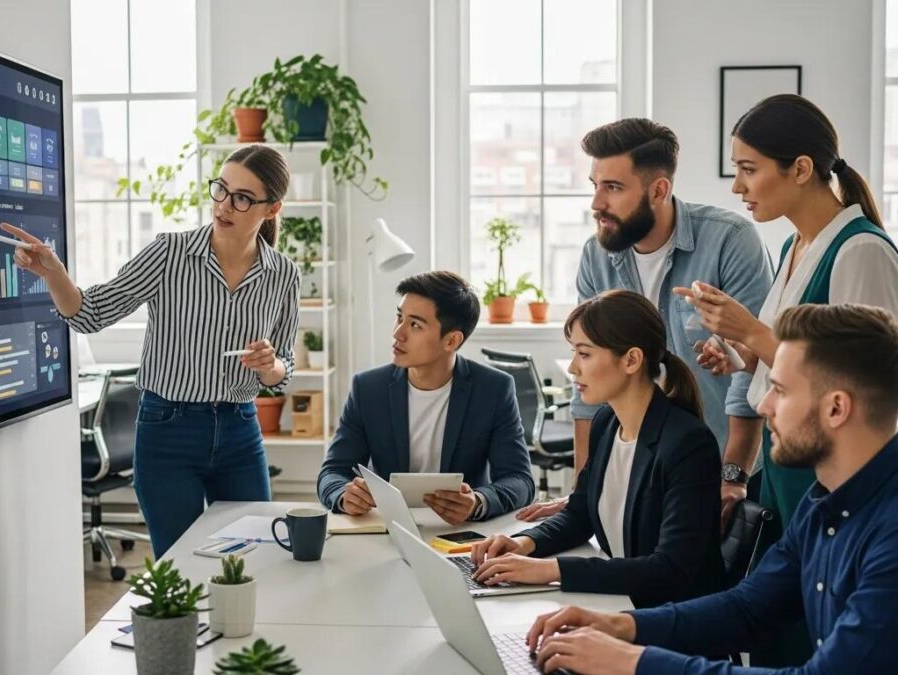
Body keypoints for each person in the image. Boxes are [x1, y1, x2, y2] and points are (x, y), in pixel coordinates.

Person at [522, 304, 898, 675]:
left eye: (779, 390)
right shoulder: (822, 501)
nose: (763, 405)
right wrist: (620, 626)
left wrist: (632, 661)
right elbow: (748, 608)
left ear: (836, 409)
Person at [676, 95, 898, 664]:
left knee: (814, 634)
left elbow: (861, 380)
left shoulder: (862, 250)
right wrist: (741, 357)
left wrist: (751, 332)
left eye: (748, 169)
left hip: (824, 471)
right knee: (773, 621)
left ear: (800, 168)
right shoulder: (792, 247)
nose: (737, 186)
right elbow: (791, 364)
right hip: (782, 471)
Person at [5, 144, 301, 558]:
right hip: (168, 430)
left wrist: (270, 366)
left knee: (252, 559)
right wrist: (55, 273)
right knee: (178, 566)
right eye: (221, 189)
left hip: (239, 431)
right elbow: (90, 314)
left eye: (242, 198)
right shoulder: (170, 253)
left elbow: (284, 366)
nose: (224, 205)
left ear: (271, 209)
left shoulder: (283, 274)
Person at [519, 119, 772, 533]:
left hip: (725, 470)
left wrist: (732, 476)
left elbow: (752, 367)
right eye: (595, 185)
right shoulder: (596, 257)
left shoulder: (730, 240)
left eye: (613, 188)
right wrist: (583, 495)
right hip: (639, 471)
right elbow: (589, 385)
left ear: (659, 190)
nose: (597, 203)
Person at [470, 290, 724, 608]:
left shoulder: (687, 444)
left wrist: (549, 570)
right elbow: (579, 515)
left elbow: (670, 569)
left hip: (670, 625)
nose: (574, 368)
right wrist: (523, 543)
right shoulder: (606, 422)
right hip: (618, 605)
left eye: (585, 354)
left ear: (631, 359)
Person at [316, 271, 534, 524]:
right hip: (389, 526)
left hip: (460, 531)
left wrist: (477, 501)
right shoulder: (368, 389)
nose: (398, 333)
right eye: (399, 317)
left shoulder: (494, 389)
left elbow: (520, 480)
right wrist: (344, 495)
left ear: (451, 340)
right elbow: (332, 472)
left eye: (415, 325)